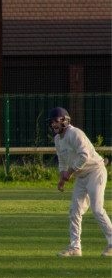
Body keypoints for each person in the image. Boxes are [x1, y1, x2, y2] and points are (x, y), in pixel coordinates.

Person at [48, 107, 112, 257]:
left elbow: (84, 155)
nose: (54, 125)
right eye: (52, 122)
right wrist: (62, 176)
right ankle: (75, 247)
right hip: (81, 176)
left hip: (95, 171)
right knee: (74, 210)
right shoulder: (58, 139)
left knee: (97, 209)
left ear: (65, 121)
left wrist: (70, 172)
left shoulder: (75, 134)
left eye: (56, 121)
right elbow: (62, 159)